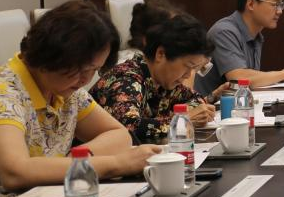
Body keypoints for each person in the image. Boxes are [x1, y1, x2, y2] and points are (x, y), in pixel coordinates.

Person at [0, 1, 161, 197]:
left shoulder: (65, 89)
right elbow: (15, 172)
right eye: (82, 69)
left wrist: (77, 162)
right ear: (51, 55)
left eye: (94, 70)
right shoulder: (1, 94)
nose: (86, 79)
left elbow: (118, 134)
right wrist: (115, 164)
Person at [92, 13, 224, 145]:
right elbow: (128, 127)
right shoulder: (127, 79)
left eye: (194, 68)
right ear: (161, 54)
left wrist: (189, 115)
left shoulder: (163, 80)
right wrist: (183, 120)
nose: (188, 75)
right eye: (188, 66)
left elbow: (195, 99)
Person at [196, 0, 284, 95]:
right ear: (251, 4)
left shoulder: (256, 35)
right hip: (210, 105)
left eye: (281, 5)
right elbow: (239, 79)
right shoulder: (223, 32)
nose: (280, 11)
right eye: (275, 4)